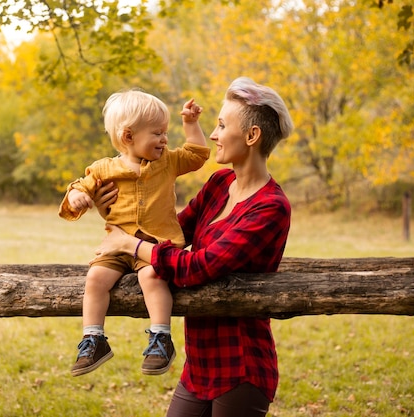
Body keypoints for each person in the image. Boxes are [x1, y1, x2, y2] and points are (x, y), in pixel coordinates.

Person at [94, 77, 294, 416]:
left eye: (220, 125)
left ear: (251, 136)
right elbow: (171, 233)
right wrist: (117, 214)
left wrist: (128, 242)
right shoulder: (220, 183)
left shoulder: (270, 207)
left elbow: (197, 268)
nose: (213, 135)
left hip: (242, 363)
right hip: (199, 360)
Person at [59, 88, 210, 377]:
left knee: (151, 276)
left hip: (155, 246)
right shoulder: (104, 168)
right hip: (116, 248)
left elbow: (198, 154)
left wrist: (190, 124)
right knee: (95, 278)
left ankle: (160, 338)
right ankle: (93, 338)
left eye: (165, 132)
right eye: (157, 133)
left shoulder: (167, 162)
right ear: (129, 137)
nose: (165, 139)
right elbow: (81, 187)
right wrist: (77, 197)